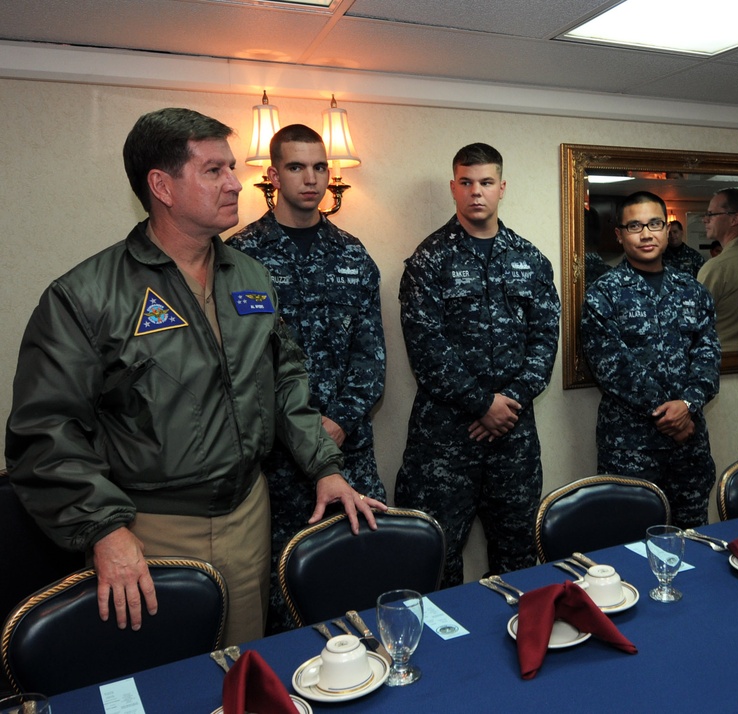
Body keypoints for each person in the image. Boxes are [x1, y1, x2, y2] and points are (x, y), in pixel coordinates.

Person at [4, 108, 386, 646]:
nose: (236, 183)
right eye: (214, 171)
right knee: (166, 682)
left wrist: (324, 466)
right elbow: (45, 433)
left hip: (248, 514)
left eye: (231, 168)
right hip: (150, 525)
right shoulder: (86, 295)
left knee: (242, 671)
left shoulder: (249, 275)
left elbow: (283, 379)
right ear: (162, 185)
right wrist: (105, 530)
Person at [228, 124, 387, 633]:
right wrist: (298, 431)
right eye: (297, 167)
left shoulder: (352, 252)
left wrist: (337, 420)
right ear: (273, 175)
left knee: (363, 576)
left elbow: (371, 354)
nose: (311, 178)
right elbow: (238, 361)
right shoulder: (238, 255)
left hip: (349, 451)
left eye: (320, 167)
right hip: (273, 461)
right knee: (281, 593)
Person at [395, 143, 560, 587]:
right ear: (454, 188)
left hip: (514, 436)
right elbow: (426, 348)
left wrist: (507, 403)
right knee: (435, 556)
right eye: (466, 183)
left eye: (486, 182)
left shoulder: (531, 259)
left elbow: (545, 340)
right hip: (445, 440)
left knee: (520, 554)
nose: (476, 193)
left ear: (502, 187)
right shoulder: (429, 259)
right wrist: (481, 403)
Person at [581, 191, 720, 528]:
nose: (646, 234)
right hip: (630, 446)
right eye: (635, 226)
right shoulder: (603, 293)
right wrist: (671, 413)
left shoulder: (692, 290)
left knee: (692, 541)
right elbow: (611, 366)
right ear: (620, 234)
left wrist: (687, 404)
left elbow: (708, 355)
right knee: (629, 544)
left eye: (654, 224)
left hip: (689, 448)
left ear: (666, 227)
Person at [696, 188, 738, 352]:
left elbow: (693, 322)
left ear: (734, 218)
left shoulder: (717, 267)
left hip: (724, 362)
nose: (705, 220)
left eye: (711, 214)